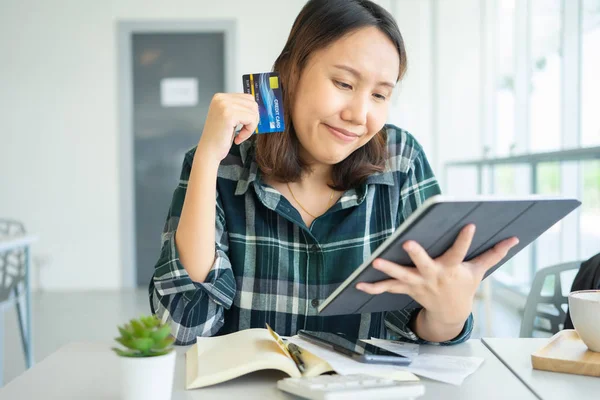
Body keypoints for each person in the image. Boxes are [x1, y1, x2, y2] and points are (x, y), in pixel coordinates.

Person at [149, 0, 519, 346]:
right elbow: (183, 326)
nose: (359, 114)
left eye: (379, 95)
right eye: (344, 84)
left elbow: (421, 324)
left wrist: (450, 313)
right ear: (292, 71)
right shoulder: (223, 164)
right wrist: (208, 158)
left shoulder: (400, 158)